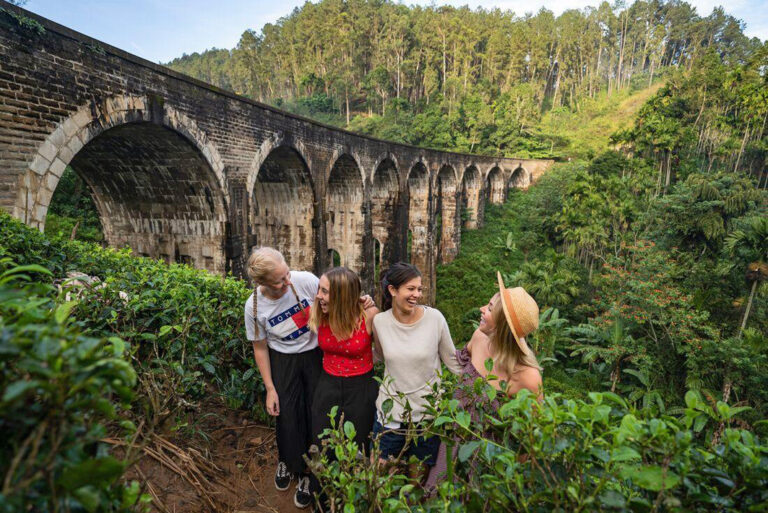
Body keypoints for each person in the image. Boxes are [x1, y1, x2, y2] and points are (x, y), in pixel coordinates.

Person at [425, 271, 543, 490]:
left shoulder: (527, 376)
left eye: (489, 308)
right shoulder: (478, 339)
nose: (481, 309)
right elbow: (460, 368)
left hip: (488, 460)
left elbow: (529, 439)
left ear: (502, 325)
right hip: (452, 444)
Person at [371, 262, 462, 483]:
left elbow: (452, 361)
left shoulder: (435, 319)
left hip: (428, 411)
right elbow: (381, 358)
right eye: (410, 289)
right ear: (393, 290)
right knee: (379, 474)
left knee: (417, 478)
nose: (417, 294)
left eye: (419, 289)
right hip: (391, 409)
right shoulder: (380, 322)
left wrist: (482, 388)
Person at [244, 247, 320, 509]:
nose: (288, 282)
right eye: (279, 280)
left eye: (287, 273)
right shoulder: (254, 306)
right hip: (282, 360)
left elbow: (333, 299)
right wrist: (270, 388)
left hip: (314, 355)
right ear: (262, 282)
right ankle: (288, 461)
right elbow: (260, 347)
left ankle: (311, 474)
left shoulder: (306, 281)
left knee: (315, 414)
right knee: (286, 416)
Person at [308, 267, 379, 497]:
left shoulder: (368, 315)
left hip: (361, 387)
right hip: (327, 383)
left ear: (341, 295)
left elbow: (388, 347)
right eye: (319, 289)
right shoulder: (320, 312)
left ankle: (353, 497)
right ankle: (322, 495)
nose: (319, 295)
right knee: (322, 439)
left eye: (325, 291)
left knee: (358, 442)